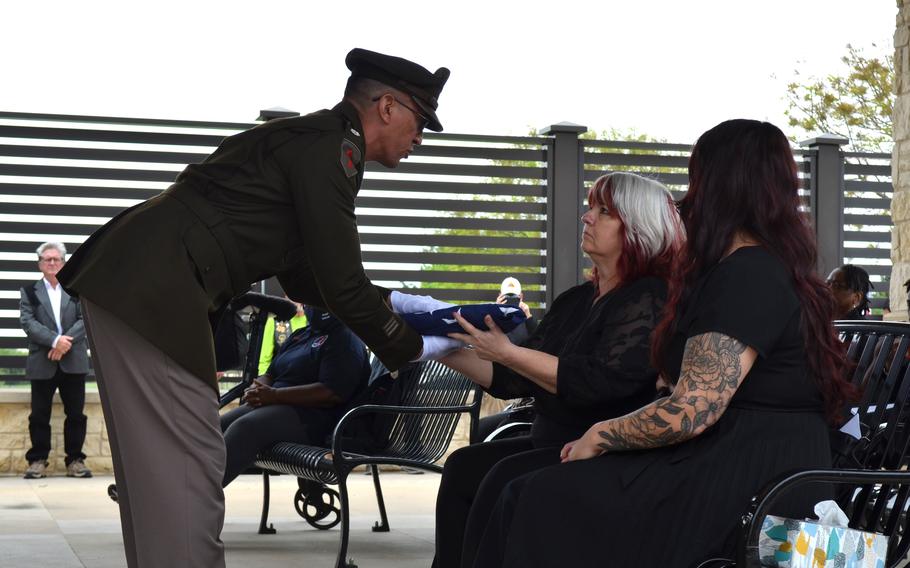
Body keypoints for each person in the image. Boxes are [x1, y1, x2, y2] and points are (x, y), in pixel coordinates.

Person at [56, 48, 452, 568]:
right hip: (155, 289)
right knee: (187, 474)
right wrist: (419, 345)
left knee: (171, 476)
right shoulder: (330, 151)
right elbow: (340, 282)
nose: (420, 138)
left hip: (146, 281)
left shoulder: (316, 142)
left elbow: (304, 277)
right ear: (387, 107)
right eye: (420, 121)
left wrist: (397, 302)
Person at [471, 120, 857, 567]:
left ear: (720, 185)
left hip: (750, 481)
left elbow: (693, 410)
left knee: (538, 497)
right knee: (525, 486)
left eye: (697, 178)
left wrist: (601, 434)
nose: (688, 196)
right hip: (738, 462)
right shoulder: (757, 268)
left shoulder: (750, 274)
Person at [432, 172, 685, 568]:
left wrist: (507, 353)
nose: (586, 218)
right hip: (552, 441)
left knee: (504, 480)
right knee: (465, 466)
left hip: (606, 452)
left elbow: (600, 381)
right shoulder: (576, 300)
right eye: (590, 208)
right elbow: (512, 377)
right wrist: (431, 348)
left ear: (638, 227)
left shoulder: (649, 296)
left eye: (604, 211)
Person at [221, 306, 369, 486]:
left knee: (245, 428)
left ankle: (202, 498)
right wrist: (258, 388)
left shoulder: (345, 338)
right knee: (215, 426)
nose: (309, 305)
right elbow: (271, 373)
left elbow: (331, 393)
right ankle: (185, 490)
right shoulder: (301, 335)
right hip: (275, 405)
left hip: (315, 419)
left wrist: (274, 395)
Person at [18, 242, 91, 479]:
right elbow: (28, 323)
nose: (52, 263)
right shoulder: (29, 292)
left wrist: (64, 343)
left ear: (64, 262)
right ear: (40, 263)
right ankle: (38, 460)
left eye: (56, 259)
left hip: (74, 361)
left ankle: (76, 461)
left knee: (76, 415)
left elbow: (86, 319)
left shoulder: (76, 289)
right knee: (39, 415)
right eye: (47, 259)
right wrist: (55, 341)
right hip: (43, 361)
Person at [258, 297, 308, 375]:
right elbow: (264, 359)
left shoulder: (314, 320)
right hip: (282, 377)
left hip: (308, 377)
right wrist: (263, 379)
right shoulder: (274, 321)